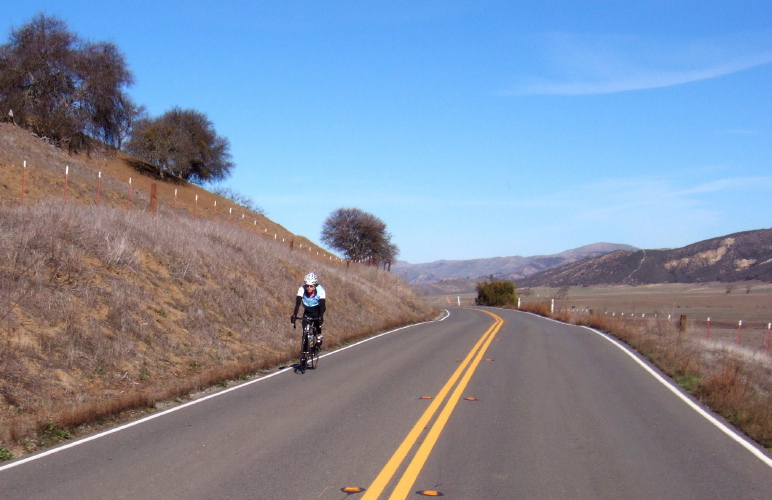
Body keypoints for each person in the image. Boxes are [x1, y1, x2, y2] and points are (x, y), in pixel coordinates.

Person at [291, 272, 326, 348]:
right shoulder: (302, 289)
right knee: (305, 330)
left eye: (311, 286)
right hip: (307, 310)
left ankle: (319, 336)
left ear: (315, 285)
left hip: (318, 309)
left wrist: (321, 316)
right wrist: (294, 315)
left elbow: (323, 306)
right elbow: (297, 303)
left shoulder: (320, 290)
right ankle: (305, 349)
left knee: (317, 323)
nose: (309, 288)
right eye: (307, 285)